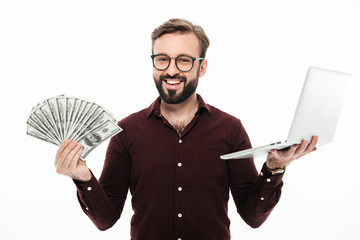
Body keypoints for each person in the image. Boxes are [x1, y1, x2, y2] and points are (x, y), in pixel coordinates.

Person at [54, 18, 318, 240]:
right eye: (162, 59)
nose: (171, 70)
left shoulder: (231, 129)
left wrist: (273, 168)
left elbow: (252, 217)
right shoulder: (126, 132)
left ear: (201, 67)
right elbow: (106, 219)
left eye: (183, 60)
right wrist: (82, 176)